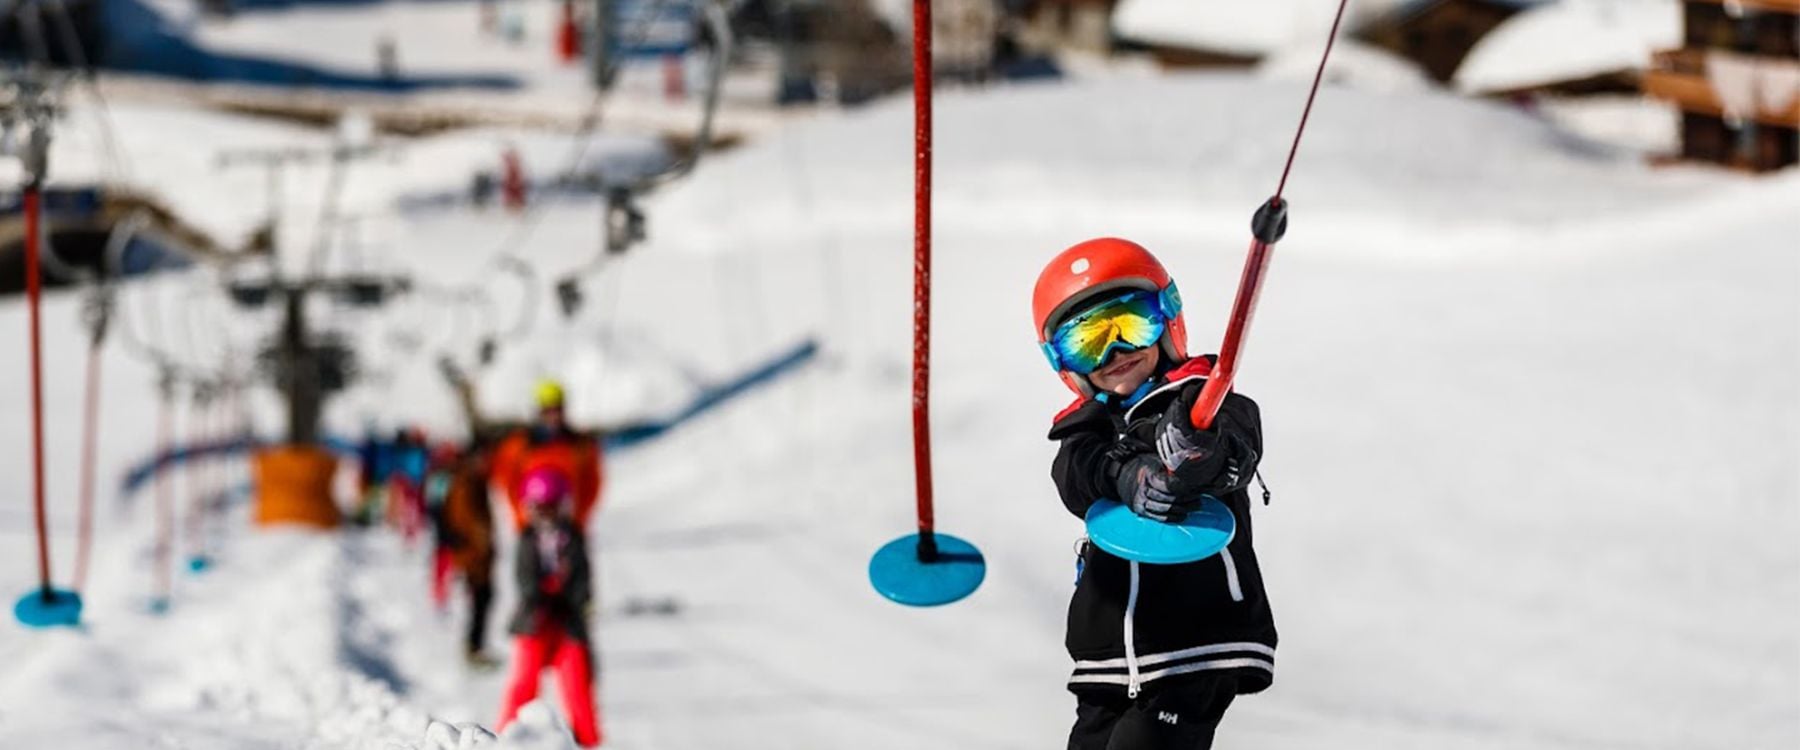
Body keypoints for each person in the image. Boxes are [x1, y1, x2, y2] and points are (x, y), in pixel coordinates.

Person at [1033, 238, 1275, 750]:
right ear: (1063, 361)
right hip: (1109, 651)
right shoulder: (1084, 431)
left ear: (1167, 322)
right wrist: (1126, 475)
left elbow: (1236, 446)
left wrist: (1200, 453)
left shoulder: (1204, 399)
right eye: (1089, 342)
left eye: (1131, 324)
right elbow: (1074, 476)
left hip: (1197, 638)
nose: (1116, 352)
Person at [496, 468, 602, 747]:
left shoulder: (574, 538)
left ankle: (587, 743)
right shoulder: (527, 540)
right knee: (524, 686)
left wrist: (576, 602)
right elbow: (525, 581)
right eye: (540, 508)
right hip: (535, 623)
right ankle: (504, 740)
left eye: (551, 508)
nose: (546, 515)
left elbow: (583, 580)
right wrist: (545, 595)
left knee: (579, 689)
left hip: (568, 624)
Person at [490, 380, 603, 529]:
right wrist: (521, 517)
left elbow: (591, 484)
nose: (554, 416)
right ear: (538, 411)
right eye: (548, 410)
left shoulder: (580, 445)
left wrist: (578, 518)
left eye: (557, 409)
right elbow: (505, 478)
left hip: (569, 525)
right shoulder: (519, 445)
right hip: (530, 526)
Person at [439, 438, 499, 667]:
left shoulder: (474, 480)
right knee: (479, 602)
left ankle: (476, 645)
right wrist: (481, 544)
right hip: (472, 555)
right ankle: (473, 647)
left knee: (482, 601)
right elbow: (469, 521)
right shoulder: (466, 482)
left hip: (475, 554)